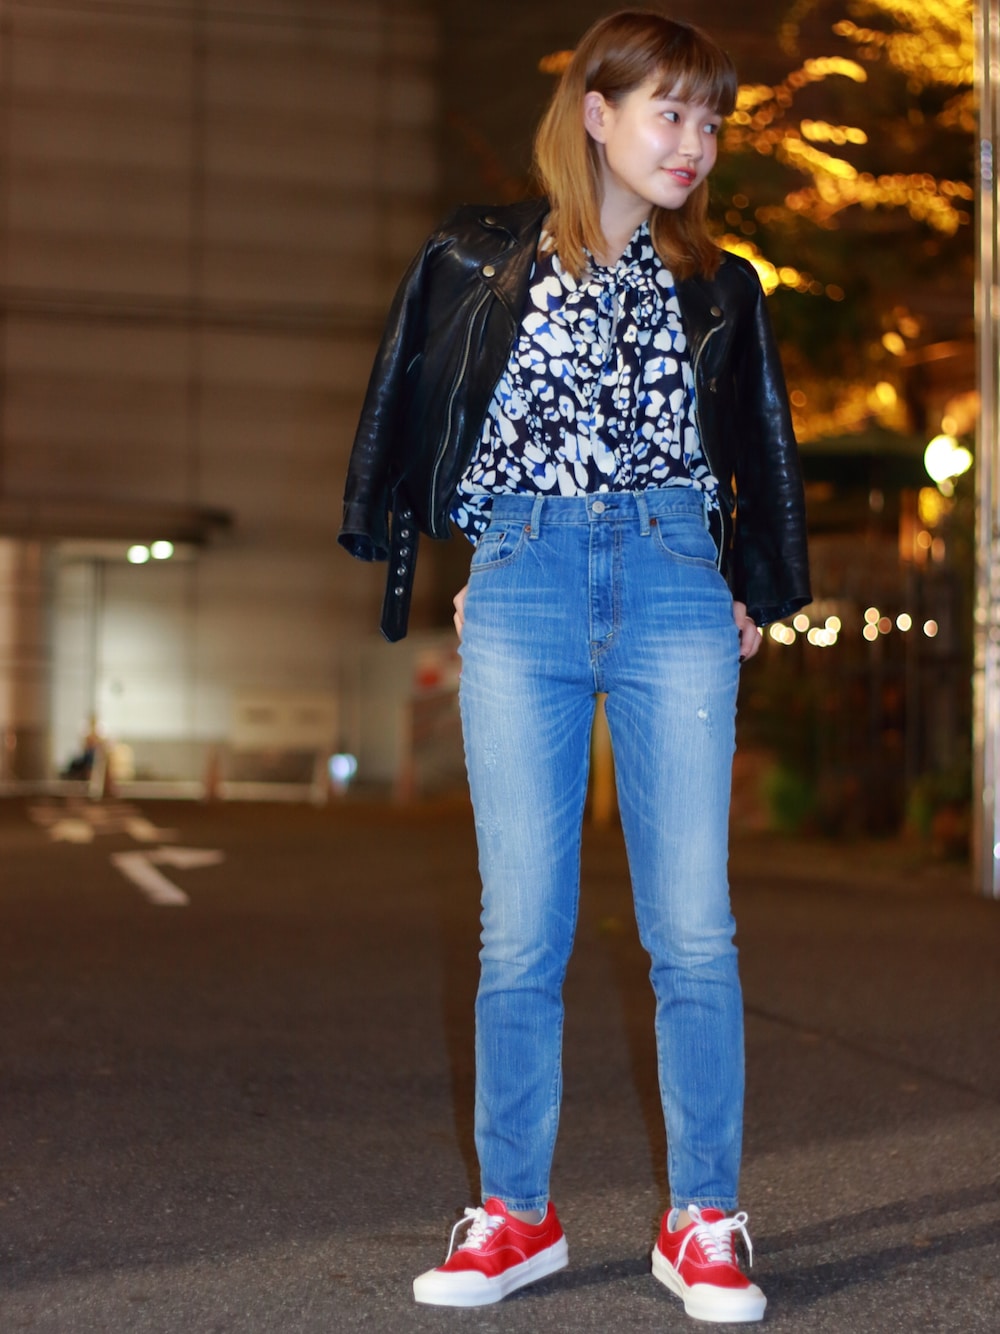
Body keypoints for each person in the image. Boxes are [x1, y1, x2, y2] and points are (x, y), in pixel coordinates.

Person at [339, 8, 810, 1323]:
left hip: (671, 578)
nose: (695, 141)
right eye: (671, 111)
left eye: (711, 120)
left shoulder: (722, 286)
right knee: (520, 931)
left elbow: (759, 441)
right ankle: (517, 1214)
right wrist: (445, 549)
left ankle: (704, 1218)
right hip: (524, 582)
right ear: (596, 114)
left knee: (694, 930)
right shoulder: (474, 253)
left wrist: (755, 583)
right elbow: (411, 399)